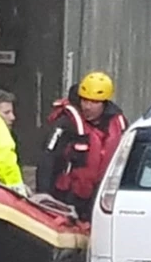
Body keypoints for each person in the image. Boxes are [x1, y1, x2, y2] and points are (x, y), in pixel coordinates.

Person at [36, 71, 128, 220]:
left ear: (104, 103)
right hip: (67, 197)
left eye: (94, 102)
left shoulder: (119, 123)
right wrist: (43, 194)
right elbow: (48, 157)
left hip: (101, 197)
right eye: (85, 101)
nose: (88, 106)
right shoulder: (66, 123)